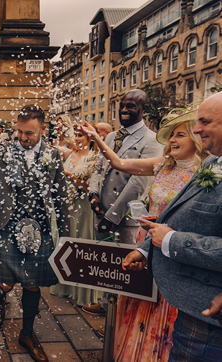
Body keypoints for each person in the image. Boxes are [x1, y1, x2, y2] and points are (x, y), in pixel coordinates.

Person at [81, 108, 207, 361]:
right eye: (170, 135)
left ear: (195, 138)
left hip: (174, 251)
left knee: (164, 308)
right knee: (139, 301)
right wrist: (96, 138)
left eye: (179, 135)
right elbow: (118, 163)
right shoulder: (161, 165)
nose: (172, 140)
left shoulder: (205, 174)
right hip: (145, 244)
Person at [124, 92, 222, 362]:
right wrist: (145, 249)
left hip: (210, 314)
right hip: (188, 306)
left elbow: (174, 232)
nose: (198, 128)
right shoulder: (213, 163)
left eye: (204, 121)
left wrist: (172, 241)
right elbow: (174, 216)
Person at [0, 105, 70, 362]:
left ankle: (27, 333)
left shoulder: (53, 155)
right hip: (6, 225)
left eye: (30, 133)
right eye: (20, 132)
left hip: (39, 228)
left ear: (43, 129)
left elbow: (61, 196)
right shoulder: (1, 151)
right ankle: (1, 300)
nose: (24, 138)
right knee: (4, 281)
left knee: (32, 283)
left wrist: (68, 237)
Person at [83, 89, 164, 317]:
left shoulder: (152, 140)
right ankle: (106, 304)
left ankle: (120, 318)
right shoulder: (110, 137)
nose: (125, 110)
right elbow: (99, 167)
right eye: (123, 105)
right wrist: (92, 194)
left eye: (131, 106)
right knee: (105, 264)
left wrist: (112, 216)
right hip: (101, 209)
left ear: (143, 109)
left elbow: (139, 184)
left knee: (124, 270)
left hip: (124, 217)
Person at [50, 127, 102, 307]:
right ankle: (66, 286)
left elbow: (91, 187)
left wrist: (71, 177)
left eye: (81, 135)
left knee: (82, 245)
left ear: (90, 138)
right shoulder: (69, 155)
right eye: (76, 135)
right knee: (67, 242)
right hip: (67, 206)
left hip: (83, 206)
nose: (77, 138)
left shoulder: (94, 158)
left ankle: (82, 290)